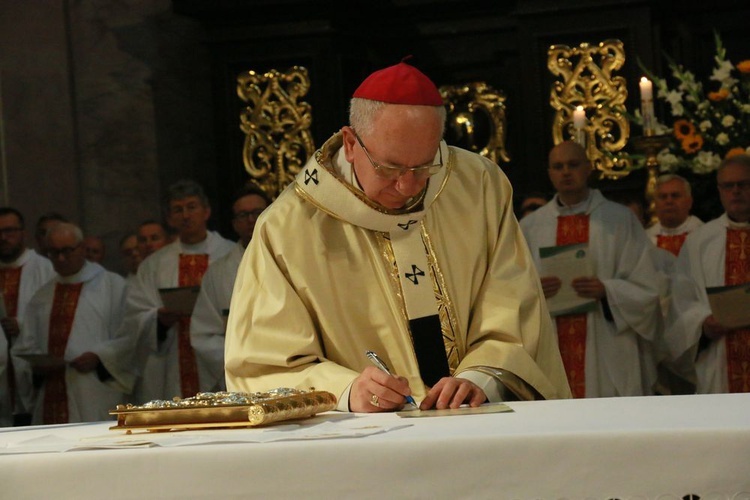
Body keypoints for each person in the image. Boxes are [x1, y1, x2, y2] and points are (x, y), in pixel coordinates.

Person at [225, 61, 571, 413]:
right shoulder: (288, 228)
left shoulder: (477, 186)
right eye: (389, 168)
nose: (407, 186)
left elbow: (514, 304)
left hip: (480, 420)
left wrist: (479, 379)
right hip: (370, 442)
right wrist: (347, 391)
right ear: (349, 143)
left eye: (423, 166)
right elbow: (263, 362)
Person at [520, 141, 661, 398]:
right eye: (558, 166)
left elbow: (647, 288)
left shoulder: (619, 220)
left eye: (573, 165)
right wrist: (535, 290)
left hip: (604, 338)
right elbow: (511, 288)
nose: (566, 172)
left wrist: (607, 290)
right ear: (549, 173)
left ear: (588, 168)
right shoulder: (530, 227)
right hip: (552, 339)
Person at [124, 180, 234, 403]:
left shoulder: (230, 254)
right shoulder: (154, 264)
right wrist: (158, 319)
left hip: (220, 355)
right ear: (169, 218)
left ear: (206, 211)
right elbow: (134, 313)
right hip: (173, 358)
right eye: (178, 209)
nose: (185, 215)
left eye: (191, 207)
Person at [12, 223, 133, 424]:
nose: (60, 258)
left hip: (94, 391)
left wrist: (100, 356)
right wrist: (38, 364)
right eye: (54, 252)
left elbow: (131, 335)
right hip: (50, 392)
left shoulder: (112, 286)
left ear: (82, 248)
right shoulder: (42, 295)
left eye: (67, 251)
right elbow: (26, 346)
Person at [666, 154, 750, 393]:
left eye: (743, 184)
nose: (736, 192)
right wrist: (702, 324)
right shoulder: (701, 241)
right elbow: (681, 303)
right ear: (720, 190)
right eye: (728, 186)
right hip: (720, 358)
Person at [190, 183, 270, 392]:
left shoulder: (295, 259)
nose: (251, 220)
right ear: (234, 223)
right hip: (241, 376)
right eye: (243, 215)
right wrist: (241, 364)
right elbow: (204, 333)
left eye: (257, 212)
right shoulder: (218, 273)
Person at [0, 207, 55, 426]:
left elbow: (54, 314)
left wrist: (22, 325)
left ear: (23, 232)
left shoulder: (44, 268)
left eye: (10, 231)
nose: (3, 237)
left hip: (31, 369)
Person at [645, 174, 704, 256]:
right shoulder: (646, 239)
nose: (669, 201)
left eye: (675, 196)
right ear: (655, 204)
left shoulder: (704, 235)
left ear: (689, 202)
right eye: (663, 197)